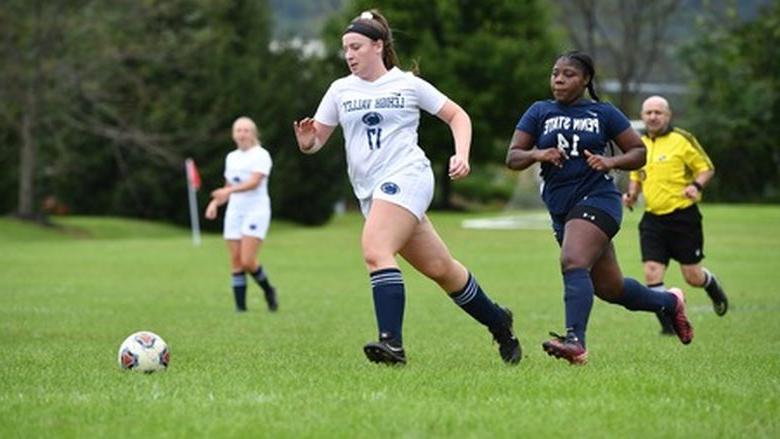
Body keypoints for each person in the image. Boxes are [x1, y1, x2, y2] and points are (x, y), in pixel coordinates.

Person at [292, 9, 520, 366]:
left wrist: (462, 155)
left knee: (375, 248)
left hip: (408, 176)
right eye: (346, 49)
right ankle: (498, 322)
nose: (349, 54)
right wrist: (307, 140)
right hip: (372, 192)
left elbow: (458, 116)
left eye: (356, 46)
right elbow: (316, 141)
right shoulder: (340, 90)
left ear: (378, 46)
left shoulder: (407, 84)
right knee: (442, 270)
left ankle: (392, 345)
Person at [505, 51, 693, 365]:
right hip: (562, 209)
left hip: (599, 200)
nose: (559, 79)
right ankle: (669, 302)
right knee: (610, 288)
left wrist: (610, 161)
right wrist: (538, 154)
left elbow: (638, 151)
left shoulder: (603, 113)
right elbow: (513, 157)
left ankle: (575, 342)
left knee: (573, 260)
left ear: (586, 79)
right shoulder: (539, 111)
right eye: (555, 73)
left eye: (568, 74)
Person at [623, 95, 728, 334]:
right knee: (651, 272)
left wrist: (696, 186)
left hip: (683, 218)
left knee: (692, 276)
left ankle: (712, 285)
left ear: (668, 115)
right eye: (648, 112)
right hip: (652, 219)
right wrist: (631, 195)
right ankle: (669, 326)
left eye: (658, 112)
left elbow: (706, 168)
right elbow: (636, 177)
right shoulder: (639, 145)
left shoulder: (682, 139)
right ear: (642, 117)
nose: (653, 116)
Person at [205, 116, 278, 313]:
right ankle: (240, 309)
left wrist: (227, 192)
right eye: (239, 130)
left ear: (253, 133)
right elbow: (228, 186)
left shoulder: (261, 155)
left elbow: (254, 182)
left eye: (246, 130)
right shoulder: (232, 157)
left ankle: (268, 290)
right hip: (235, 211)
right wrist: (215, 202)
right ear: (233, 134)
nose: (242, 134)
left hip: (256, 210)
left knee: (247, 260)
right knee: (236, 260)